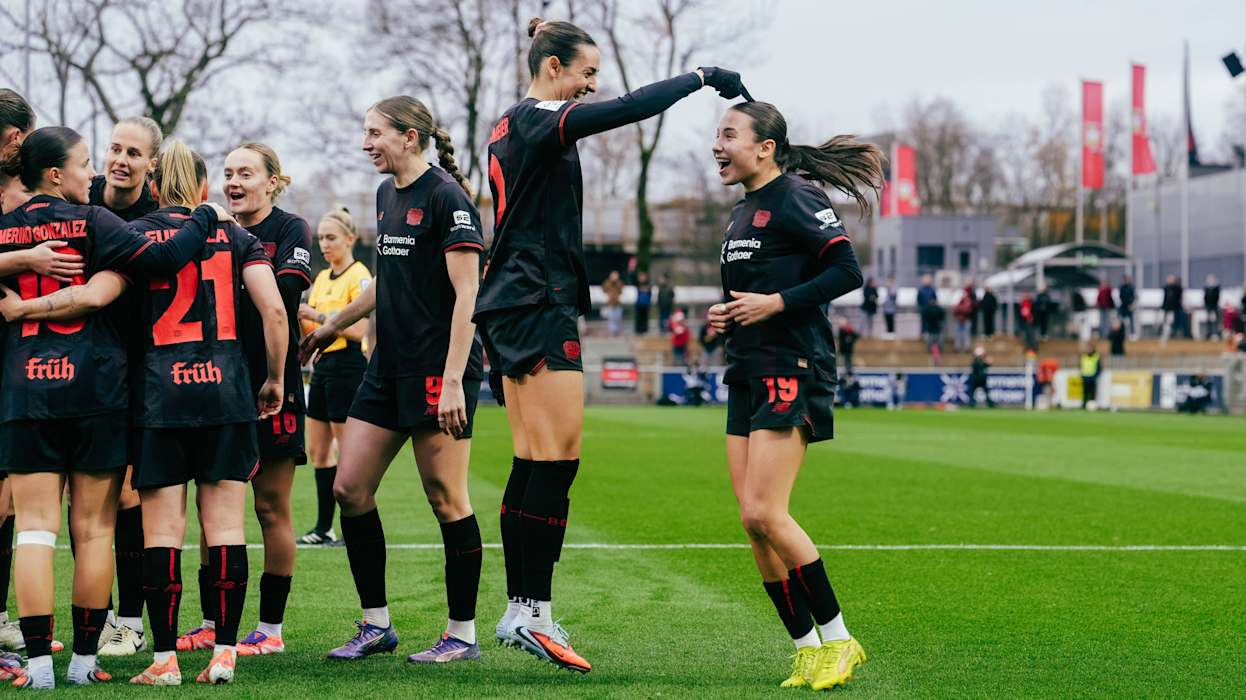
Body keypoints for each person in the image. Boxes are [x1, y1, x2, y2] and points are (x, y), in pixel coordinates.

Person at [473, 16, 748, 673]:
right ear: (553, 66)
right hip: (535, 301)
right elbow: (628, 110)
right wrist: (701, 77)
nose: (592, 86)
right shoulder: (538, 118)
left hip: (513, 301)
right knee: (556, 460)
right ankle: (532, 614)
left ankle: (521, 609)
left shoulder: (508, 124)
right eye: (586, 73)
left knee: (534, 458)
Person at [0, 127, 228, 688]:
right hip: (95, 389)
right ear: (56, 173)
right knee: (95, 530)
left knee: (34, 530)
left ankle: (38, 667)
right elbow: (167, 257)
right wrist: (204, 215)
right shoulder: (97, 222)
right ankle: (83, 664)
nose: (93, 174)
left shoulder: (6, 228)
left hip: (26, 389)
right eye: (85, 164)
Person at [300, 96, 485, 664]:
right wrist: (333, 324)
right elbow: (388, 280)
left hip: (438, 371)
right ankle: (376, 625)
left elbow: (469, 295)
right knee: (349, 489)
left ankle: (461, 634)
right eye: (365, 132)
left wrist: (452, 381)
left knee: (446, 498)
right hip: (387, 368)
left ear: (409, 137)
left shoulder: (448, 198)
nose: (366, 143)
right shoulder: (386, 195)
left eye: (375, 133)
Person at [707, 100, 874, 691]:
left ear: (765, 148)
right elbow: (756, 291)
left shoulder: (797, 197)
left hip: (793, 365)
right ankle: (807, 650)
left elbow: (847, 271)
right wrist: (727, 315)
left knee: (764, 511)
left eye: (729, 134)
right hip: (747, 368)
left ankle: (841, 639)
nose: (717, 145)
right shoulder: (740, 211)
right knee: (752, 522)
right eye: (716, 135)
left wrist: (776, 304)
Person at [176, 143, 312, 657]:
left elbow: (282, 298)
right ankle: (211, 623)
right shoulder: (210, 228)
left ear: (272, 181)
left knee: (270, 506)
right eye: (228, 173)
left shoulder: (290, 229)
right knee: (213, 507)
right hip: (217, 384)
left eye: (247, 174)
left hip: (273, 386)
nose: (234, 183)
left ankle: (270, 629)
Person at [86, 116, 164, 658]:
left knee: (130, 496)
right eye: (115, 148)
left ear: (151, 164)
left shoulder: (156, 216)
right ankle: (99, 614)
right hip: (80, 366)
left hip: (137, 367)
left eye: (134, 153)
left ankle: (131, 622)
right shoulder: (83, 199)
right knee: (86, 500)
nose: (121, 160)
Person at [297, 207, 371, 546]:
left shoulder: (359, 275)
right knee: (319, 451)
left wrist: (318, 316)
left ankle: (354, 525)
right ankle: (324, 527)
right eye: (321, 238)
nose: (324, 244)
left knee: (348, 451)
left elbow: (359, 330)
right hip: (323, 368)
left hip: (348, 367)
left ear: (350, 239)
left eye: (331, 238)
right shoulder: (322, 278)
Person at [952, 281, 975, 351]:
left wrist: (961, 309)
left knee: (966, 334)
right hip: (959, 319)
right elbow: (955, 309)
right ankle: (957, 347)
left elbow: (968, 310)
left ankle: (967, 347)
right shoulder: (957, 300)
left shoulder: (968, 300)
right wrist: (961, 309)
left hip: (966, 319)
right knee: (958, 334)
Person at [601, 270, 623, 336]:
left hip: (617, 303)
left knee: (617, 318)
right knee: (611, 319)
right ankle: (611, 332)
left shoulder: (619, 283)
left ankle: (617, 332)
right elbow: (603, 289)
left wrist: (616, 282)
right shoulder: (607, 283)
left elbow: (621, 290)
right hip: (609, 303)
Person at [1080, 342, 1102, 410]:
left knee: (1092, 393)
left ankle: (1093, 406)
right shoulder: (1084, 356)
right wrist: (1082, 375)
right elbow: (1081, 366)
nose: (1089, 350)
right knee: (1085, 393)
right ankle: (1084, 406)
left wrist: (1095, 376)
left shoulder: (1096, 356)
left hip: (1092, 378)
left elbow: (1099, 368)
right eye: (1088, 348)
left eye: (1090, 348)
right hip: (1085, 377)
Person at [1161, 274, 1182, 340]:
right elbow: (1165, 299)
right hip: (1167, 308)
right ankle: (1165, 334)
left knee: (1175, 322)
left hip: (1174, 309)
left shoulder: (1177, 288)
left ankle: (1174, 334)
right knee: (1166, 322)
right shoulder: (1166, 288)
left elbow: (1178, 299)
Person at [633, 271, 652, 335]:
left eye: (643, 277)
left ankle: (644, 330)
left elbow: (650, 294)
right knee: (638, 318)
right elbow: (632, 278)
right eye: (641, 277)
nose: (642, 278)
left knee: (645, 318)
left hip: (646, 304)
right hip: (639, 304)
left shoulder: (648, 285)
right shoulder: (637, 284)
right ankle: (638, 330)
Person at [1117, 275, 1136, 339]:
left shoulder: (1131, 287)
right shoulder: (1121, 287)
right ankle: (1121, 333)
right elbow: (1121, 296)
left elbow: (1133, 296)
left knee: (1131, 321)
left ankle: (1132, 334)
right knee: (1121, 320)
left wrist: (1131, 304)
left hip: (1129, 306)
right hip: (1123, 306)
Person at [1203, 274, 1221, 340]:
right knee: (1208, 320)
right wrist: (1206, 304)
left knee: (1217, 321)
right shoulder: (1206, 288)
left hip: (1215, 305)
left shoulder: (1217, 288)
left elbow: (1217, 297)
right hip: (1208, 306)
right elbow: (1205, 297)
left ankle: (1217, 333)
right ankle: (1208, 333)